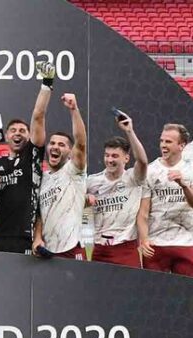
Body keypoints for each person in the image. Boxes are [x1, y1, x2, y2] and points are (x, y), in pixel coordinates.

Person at [0, 62, 54, 254]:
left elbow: (38, 116)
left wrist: (47, 83)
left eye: (22, 130)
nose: (17, 133)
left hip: (23, 237)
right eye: (13, 130)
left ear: (29, 136)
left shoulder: (31, 157)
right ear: (6, 136)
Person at [86, 112, 147, 267]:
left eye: (115, 156)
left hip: (125, 249)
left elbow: (143, 161)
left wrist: (129, 131)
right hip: (99, 249)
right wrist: (85, 198)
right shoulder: (92, 181)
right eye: (107, 155)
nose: (110, 160)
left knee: (130, 291)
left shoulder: (134, 178)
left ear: (126, 158)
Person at [32, 93, 88, 260]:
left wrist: (74, 110)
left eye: (61, 145)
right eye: (53, 143)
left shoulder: (74, 171)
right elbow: (40, 215)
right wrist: (37, 237)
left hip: (72, 248)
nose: (55, 146)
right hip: (47, 250)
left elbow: (81, 143)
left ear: (70, 152)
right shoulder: (42, 179)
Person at [137, 124, 193, 276]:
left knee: (185, 295)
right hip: (156, 245)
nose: (163, 145)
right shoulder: (150, 171)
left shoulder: (191, 169)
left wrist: (184, 185)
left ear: (181, 145)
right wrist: (144, 239)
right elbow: (143, 213)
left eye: (168, 142)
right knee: (154, 295)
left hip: (186, 243)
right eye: (162, 141)